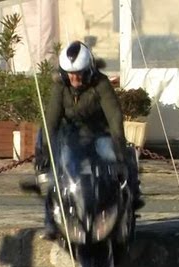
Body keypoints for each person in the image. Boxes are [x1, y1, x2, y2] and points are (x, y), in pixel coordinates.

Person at [35, 40, 143, 240]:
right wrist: (45, 151)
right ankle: (51, 221)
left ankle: (129, 197)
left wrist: (118, 148)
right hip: (70, 135)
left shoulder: (100, 84)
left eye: (79, 73)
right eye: (71, 73)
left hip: (98, 134)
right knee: (54, 164)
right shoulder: (60, 86)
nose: (75, 78)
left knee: (115, 160)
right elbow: (51, 119)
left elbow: (114, 116)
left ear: (89, 70)